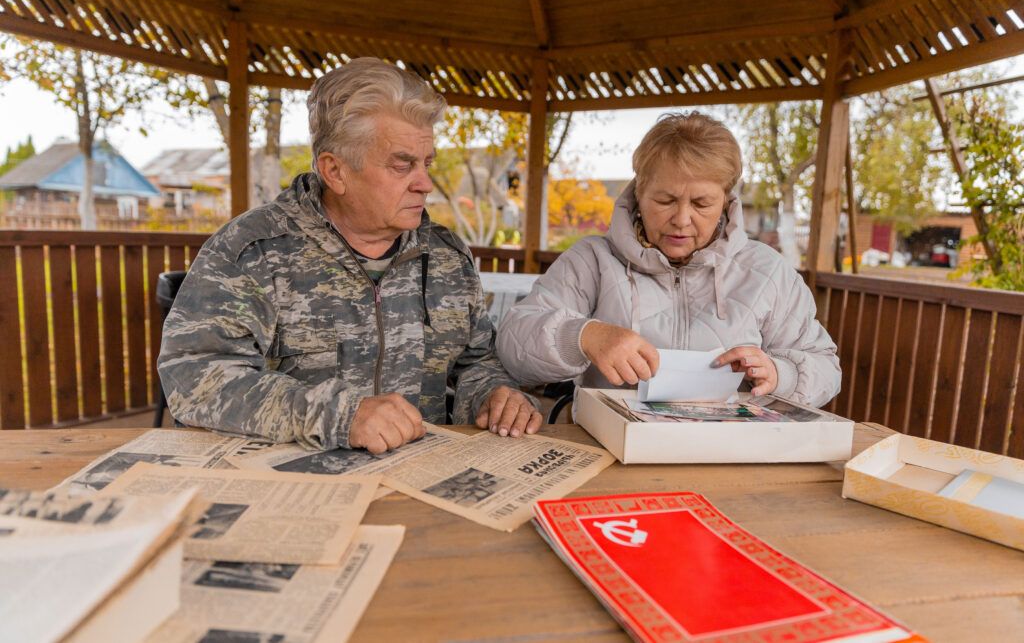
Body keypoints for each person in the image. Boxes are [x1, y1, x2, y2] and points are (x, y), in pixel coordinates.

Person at [158, 57, 541, 453]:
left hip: (421, 481)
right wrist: (337, 417)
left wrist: (495, 396)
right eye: (402, 165)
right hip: (298, 492)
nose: (425, 184)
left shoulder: (447, 255)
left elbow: (476, 363)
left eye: (426, 163)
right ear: (335, 171)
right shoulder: (252, 251)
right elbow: (194, 376)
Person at [496, 112, 840, 408]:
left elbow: (825, 366)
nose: (681, 219)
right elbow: (513, 344)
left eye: (702, 203)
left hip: (731, 450)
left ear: (726, 201)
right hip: (611, 446)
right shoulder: (592, 260)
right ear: (639, 191)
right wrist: (583, 336)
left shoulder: (767, 271)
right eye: (665, 200)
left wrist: (782, 373)